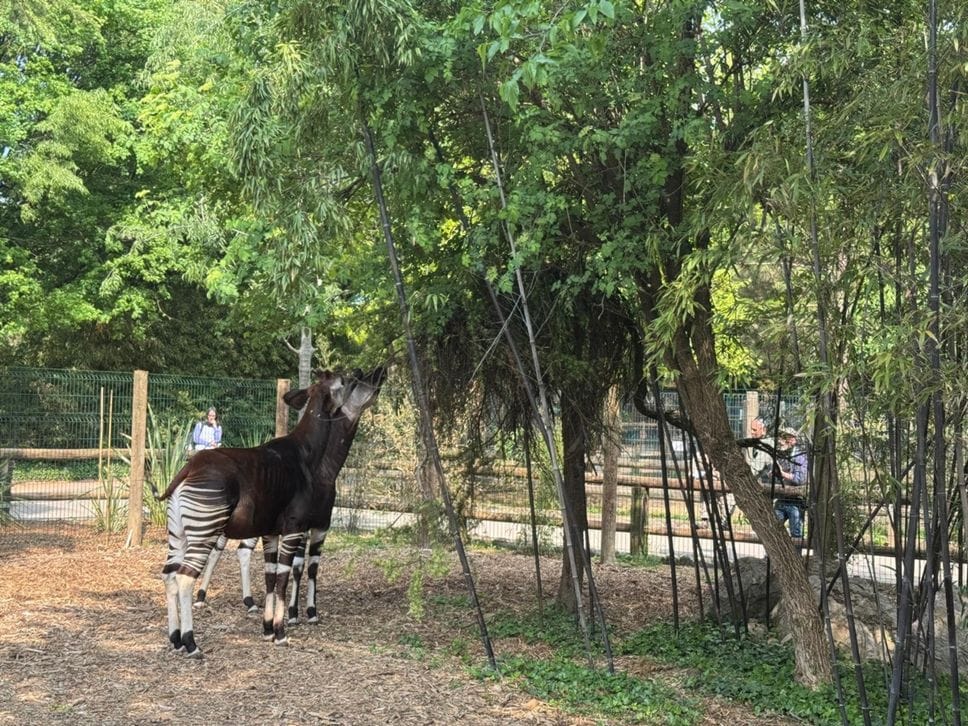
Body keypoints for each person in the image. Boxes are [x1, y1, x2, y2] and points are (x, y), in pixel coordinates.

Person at [773, 430, 808, 538]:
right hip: (781, 499)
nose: (780, 441)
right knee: (773, 531)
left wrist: (782, 474)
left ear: (792, 440)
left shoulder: (800, 457)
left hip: (796, 501)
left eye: (784, 438)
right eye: (780, 437)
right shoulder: (781, 455)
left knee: (796, 533)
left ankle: (796, 555)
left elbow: (800, 479)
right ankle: (772, 555)